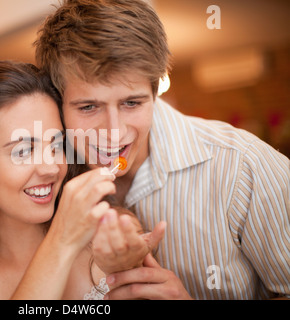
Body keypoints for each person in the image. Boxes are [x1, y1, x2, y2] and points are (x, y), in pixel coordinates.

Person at [35, 0, 290, 299]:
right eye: (89, 106)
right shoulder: (44, 179)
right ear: (58, 102)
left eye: (132, 103)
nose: (114, 132)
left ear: (156, 91)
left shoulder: (246, 168)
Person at [0, 57, 164, 299]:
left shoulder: (109, 238)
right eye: (24, 150)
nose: (51, 168)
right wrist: (62, 238)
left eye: (56, 145)